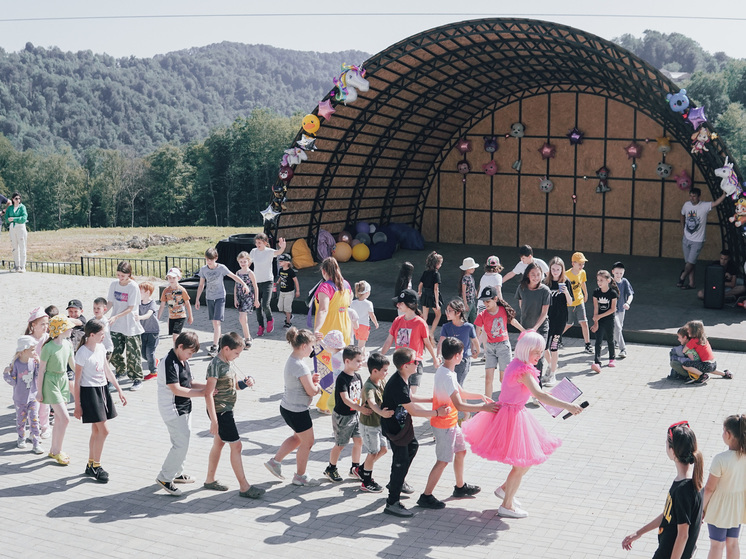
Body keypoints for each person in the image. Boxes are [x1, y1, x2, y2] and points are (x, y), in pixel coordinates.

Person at [462, 331, 583, 518]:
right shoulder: (524, 370)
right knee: (521, 463)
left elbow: (536, 393)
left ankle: (505, 490)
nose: (539, 356)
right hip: (511, 416)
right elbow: (540, 395)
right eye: (536, 352)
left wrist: (559, 398)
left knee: (526, 460)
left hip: (512, 413)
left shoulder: (518, 364)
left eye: (541, 352)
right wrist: (568, 406)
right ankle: (506, 505)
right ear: (526, 350)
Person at [418, 337, 496, 509]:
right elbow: (459, 404)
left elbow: (461, 393)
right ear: (457, 356)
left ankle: (460, 488)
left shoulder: (447, 371)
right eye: (462, 353)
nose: (464, 355)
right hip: (444, 425)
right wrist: (483, 408)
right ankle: (426, 496)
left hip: (452, 422)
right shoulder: (446, 375)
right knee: (443, 460)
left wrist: (480, 396)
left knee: (460, 451)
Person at [380, 347, 450, 518]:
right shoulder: (398, 384)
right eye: (415, 362)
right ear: (405, 366)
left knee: (412, 447)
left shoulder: (403, 379)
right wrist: (437, 413)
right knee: (401, 459)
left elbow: (410, 398)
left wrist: (433, 399)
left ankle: (397, 480)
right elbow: (414, 410)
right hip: (395, 430)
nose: (418, 363)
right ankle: (392, 502)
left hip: (402, 428)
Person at [622, 421, 704, 559]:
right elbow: (669, 514)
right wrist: (639, 533)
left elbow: (683, 535)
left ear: (673, 451)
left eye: (666, 442)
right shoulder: (694, 481)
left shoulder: (683, 490)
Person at [203, 332, 264, 499]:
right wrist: (214, 421)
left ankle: (209, 479)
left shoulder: (228, 362)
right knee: (236, 446)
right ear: (226, 348)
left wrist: (246, 383)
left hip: (226, 409)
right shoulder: (216, 365)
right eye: (236, 353)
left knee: (219, 443)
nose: (237, 356)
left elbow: (235, 385)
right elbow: (208, 393)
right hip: (221, 411)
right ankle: (244, 487)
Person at [264, 327, 323, 487]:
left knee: (298, 438)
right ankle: (300, 475)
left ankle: (275, 462)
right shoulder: (301, 366)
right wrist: (318, 386)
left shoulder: (294, 360)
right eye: (311, 346)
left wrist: (311, 380)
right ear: (304, 346)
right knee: (308, 442)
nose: (312, 349)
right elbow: (311, 390)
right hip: (298, 411)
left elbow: (302, 383)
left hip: (288, 408)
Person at [73, 319, 127, 483]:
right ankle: (97, 466)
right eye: (101, 334)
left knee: (96, 431)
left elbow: (107, 370)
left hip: (102, 389)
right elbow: (77, 381)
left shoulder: (101, 348)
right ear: (91, 335)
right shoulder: (82, 353)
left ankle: (90, 465)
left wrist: (119, 389)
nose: (104, 336)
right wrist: (77, 405)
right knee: (104, 431)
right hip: (89, 393)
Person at [156, 331, 205, 496]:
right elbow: (176, 389)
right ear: (180, 346)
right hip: (173, 410)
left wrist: (208, 387)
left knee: (183, 442)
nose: (190, 356)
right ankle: (165, 477)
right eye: (190, 353)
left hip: (184, 408)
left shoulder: (182, 360)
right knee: (180, 444)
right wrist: (204, 394)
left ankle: (176, 473)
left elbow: (189, 383)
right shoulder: (169, 362)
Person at [323, 345, 373, 483]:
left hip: (355, 415)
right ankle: (331, 468)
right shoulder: (342, 378)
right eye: (357, 361)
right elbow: (345, 399)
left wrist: (368, 403)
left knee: (359, 441)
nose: (360, 363)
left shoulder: (357, 376)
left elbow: (362, 393)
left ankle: (355, 468)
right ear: (347, 361)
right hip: (343, 417)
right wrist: (360, 408)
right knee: (340, 444)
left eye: (361, 360)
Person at [311, 257, 353, 413]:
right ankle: (343, 400)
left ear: (323, 271)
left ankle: (326, 404)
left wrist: (317, 329)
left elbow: (323, 309)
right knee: (342, 367)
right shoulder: (346, 285)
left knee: (326, 368)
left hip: (328, 335)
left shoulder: (325, 288)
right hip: (344, 332)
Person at [702, 414, 746, 559]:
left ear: (727, 434)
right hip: (737, 507)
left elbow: (709, 488)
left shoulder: (720, 459)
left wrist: (701, 509)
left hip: (719, 508)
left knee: (717, 545)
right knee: (733, 543)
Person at [381, 288, 440, 395]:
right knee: (401, 394)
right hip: (401, 363)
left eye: (400, 303)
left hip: (414, 363)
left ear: (410, 304)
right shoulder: (397, 320)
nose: (398, 305)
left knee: (410, 396)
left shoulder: (420, 323)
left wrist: (435, 359)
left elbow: (427, 342)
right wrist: (380, 357)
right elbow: (388, 341)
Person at [195, 247, 251, 355]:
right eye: (207, 259)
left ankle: (215, 347)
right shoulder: (203, 269)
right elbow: (201, 285)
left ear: (216, 258)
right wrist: (197, 299)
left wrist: (244, 284)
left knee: (217, 322)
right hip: (209, 297)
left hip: (220, 297)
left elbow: (233, 276)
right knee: (214, 323)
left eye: (211, 259)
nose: (209, 262)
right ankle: (220, 339)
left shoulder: (221, 268)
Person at [37, 315, 76, 465]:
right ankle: (58, 451)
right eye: (68, 327)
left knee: (60, 419)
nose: (71, 329)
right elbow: (41, 371)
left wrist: (85, 374)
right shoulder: (48, 347)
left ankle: (54, 450)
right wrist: (40, 392)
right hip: (50, 381)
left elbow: (72, 365)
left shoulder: (68, 344)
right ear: (61, 329)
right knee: (65, 418)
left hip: (63, 380)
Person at [474, 286, 523, 395]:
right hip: (490, 348)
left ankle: (509, 400)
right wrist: (475, 347)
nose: (486, 304)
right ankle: (488, 404)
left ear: (495, 299)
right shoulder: (482, 315)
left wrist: (524, 331)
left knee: (504, 379)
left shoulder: (503, 311)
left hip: (503, 347)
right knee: (488, 380)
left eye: (488, 301)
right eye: (484, 302)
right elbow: (476, 333)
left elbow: (513, 321)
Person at [358, 352, 394, 492]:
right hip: (369, 425)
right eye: (384, 370)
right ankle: (366, 482)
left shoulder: (381, 381)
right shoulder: (368, 387)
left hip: (378, 424)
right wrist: (382, 413)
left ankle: (362, 469)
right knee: (373, 452)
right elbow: (372, 403)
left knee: (383, 449)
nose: (386, 372)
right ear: (375, 371)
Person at [107, 261, 145, 391]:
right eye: (118, 275)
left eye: (123, 276)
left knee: (133, 354)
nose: (120, 278)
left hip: (130, 325)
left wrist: (116, 316)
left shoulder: (133, 287)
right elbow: (110, 303)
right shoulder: (114, 284)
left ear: (129, 274)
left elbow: (130, 308)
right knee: (113, 351)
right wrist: (101, 313)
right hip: (115, 325)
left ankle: (137, 378)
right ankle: (120, 370)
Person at [679, 188, 727, 290]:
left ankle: (682, 277)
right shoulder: (686, 205)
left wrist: (723, 195)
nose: (692, 198)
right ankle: (692, 283)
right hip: (686, 238)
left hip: (698, 240)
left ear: (699, 197)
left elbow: (715, 203)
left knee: (690, 262)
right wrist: (682, 227)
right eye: (690, 196)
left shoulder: (704, 206)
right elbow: (682, 214)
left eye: (694, 196)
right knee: (689, 262)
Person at [4, 336, 43, 454]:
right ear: (23, 351)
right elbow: (13, 382)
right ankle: (21, 437)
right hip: (20, 398)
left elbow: (38, 375)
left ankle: (36, 442)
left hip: (33, 397)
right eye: (32, 349)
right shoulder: (15, 364)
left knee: (35, 420)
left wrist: (39, 363)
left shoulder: (34, 362)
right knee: (21, 420)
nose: (34, 352)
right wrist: (6, 374)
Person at [515, 263, 551, 380]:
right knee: (526, 354)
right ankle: (526, 381)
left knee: (538, 356)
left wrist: (535, 328)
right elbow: (521, 305)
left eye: (538, 274)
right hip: (526, 327)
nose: (536, 277)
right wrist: (526, 327)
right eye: (533, 274)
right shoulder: (522, 288)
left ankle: (537, 384)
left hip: (540, 328)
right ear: (527, 275)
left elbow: (544, 313)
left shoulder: (545, 291)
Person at [543, 257, 573, 386]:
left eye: (558, 269)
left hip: (560, 319)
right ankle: (551, 366)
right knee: (543, 346)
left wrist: (566, 292)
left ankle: (553, 374)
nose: (555, 271)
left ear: (562, 270)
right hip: (547, 318)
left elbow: (571, 302)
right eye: (553, 269)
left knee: (553, 347)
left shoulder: (566, 282)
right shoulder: (546, 282)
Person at [249, 233, 287, 336]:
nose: (257, 244)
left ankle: (270, 319)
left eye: (260, 243)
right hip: (256, 282)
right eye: (256, 243)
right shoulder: (253, 251)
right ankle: (261, 326)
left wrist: (282, 247)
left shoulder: (269, 252)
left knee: (265, 304)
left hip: (267, 282)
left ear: (265, 243)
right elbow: (248, 262)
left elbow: (279, 252)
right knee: (257, 306)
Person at [438, 298, 479, 387]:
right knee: (451, 385)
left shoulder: (469, 327)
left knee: (457, 385)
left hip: (462, 360)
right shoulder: (446, 327)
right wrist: (438, 356)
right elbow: (441, 342)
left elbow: (475, 341)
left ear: (458, 312)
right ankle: (458, 401)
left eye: (449, 311)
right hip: (448, 360)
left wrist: (476, 352)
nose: (447, 313)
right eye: (446, 310)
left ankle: (459, 401)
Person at [25, 307, 51, 439]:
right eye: (42, 324)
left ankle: (45, 427)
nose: (46, 326)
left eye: (47, 323)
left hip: (45, 376)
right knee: (33, 405)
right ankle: (33, 429)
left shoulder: (48, 338)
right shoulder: (27, 340)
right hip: (30, 378)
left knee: (45, 405)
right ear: (33, 325)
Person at [682, 320, 733, 384]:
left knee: (685, 365)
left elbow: (684, 350)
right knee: (709, 369)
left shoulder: (694, 340)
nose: (687, 331)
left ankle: (703, 376)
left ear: (693, 331)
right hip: (713, 364)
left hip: (706, 365)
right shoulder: (703, 338)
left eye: (689, 329)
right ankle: (725, 374)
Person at [563, 252, 593, 353]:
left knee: (584, 323)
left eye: (583, 264)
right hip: (569, 304)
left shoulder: (583, 272)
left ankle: (588, 344)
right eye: (579, 264)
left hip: (580, 301)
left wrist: (586, 294)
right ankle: (556, 338)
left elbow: (583, 283)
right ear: (573, 263)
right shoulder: (566, 275)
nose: (581, 266)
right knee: (569, 323)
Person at [590, 270, 618, 373]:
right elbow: (596, 307)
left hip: (609, 319)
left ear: (608, 280)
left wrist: (599, 316)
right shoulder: (596, 292)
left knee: (610, 339)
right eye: (598, 280)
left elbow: (612, 309)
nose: (599, 282)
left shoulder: (613, 293)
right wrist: (596, 322)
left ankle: (612, 358)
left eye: (601, 280)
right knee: (598, 341)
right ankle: (597, 362)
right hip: (599, 320)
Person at [158, 267, 193, 346]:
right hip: (171, 317)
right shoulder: (166, 291)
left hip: (180, 316)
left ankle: (178, 351)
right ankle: (181, 348)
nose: (171, 280)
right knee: (175, 336)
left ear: (179, 278)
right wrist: (157, 318)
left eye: (174, 277)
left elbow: (187, 303)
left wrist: (190, 316)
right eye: (169, 278)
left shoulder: (182, 290)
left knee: (175, 336)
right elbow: (162, 305)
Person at [233, 252, 260, 348]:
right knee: (243, 319)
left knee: (242, 318)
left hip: (248, 297)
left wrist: (256, 300)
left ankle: (247, 338)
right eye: (241, 262)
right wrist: (235, 298)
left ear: (249, 262)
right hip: (240, 297)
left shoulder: (250, 273)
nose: (243, 263)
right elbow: (236, 286)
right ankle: (247, 336)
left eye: (245, 261)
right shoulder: (237, 273)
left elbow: (255, 287)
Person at [417, 251, 443, 340]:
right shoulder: (436, 274)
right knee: (438, 315)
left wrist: (419, 292)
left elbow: (420, 284)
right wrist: (437, 303)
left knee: (425, 317)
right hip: (432, 296)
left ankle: (424, 334)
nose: (440, 265)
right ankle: (431, 333)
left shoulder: (425, 272)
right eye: (440, 263)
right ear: (436, 264)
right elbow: (436, 289)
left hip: (425, 295)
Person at [611, 262, 634, 360]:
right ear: (612, 272)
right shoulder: (609, 282)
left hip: (621, 309)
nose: (619, 275)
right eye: (617, 273)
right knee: (618, 327)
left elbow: (630, 294)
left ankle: (615, 341)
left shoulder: (625, 282)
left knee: (619, 327)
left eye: (621, 273)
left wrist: (627, 303)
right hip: (612, 310)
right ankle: (623, 349)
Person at [138, 282, 160, 381]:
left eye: (140, 291)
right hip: (143, 331)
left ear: (147, 292)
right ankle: (154, 361)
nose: (138, 293)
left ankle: (153, 371)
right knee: (143, 353)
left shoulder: (152, 303)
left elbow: (148, 314)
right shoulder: (139, 303)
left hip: (153, 331)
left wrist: (139, 317)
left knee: (149, 353)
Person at [350, 280, 379, 353]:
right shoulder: (369, 303)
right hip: (364, 326)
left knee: (351, 342)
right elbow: (372, 315)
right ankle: (360, 359)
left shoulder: (353, 303)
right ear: (366, 293)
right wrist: (376, 323)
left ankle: (361, 357)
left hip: (354, 325)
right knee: (361, 345)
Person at [6, 192, 28, 273]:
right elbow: (6, 217)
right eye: (16, 199)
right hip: (12, 227)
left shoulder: (22, 207)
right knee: (15, 247)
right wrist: (9, 220)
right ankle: (16, 265)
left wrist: (14, 219)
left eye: (19, 199)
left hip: (21, 227)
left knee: (22, 246)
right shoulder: (10, 208)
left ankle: (23, 266)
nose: (18, 200)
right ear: (13, 199)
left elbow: (24, 218)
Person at [276, 253, 299, 329]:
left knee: (287, 307)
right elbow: (281, 277)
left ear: (287, 262)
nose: (280, 262)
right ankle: (289, 315)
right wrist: (278, 282)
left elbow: (296, 281)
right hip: (282, 291)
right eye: (280, 261)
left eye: (281, 261)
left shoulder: (290, 271)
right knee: (280, 307)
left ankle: (288, 322)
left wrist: (297, 291)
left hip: (289, 292)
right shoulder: (281, 270)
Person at [459, 257, 479, 324]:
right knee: (465, 317)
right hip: (468, 301)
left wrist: (476, 294)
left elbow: (473, 287)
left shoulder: (471, 277)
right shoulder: (465, 278)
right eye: (472, 268)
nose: (473, 269)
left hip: (472, 301)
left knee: (474, 317)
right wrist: (465, 303)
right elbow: (463, 291)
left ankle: (475, 332)